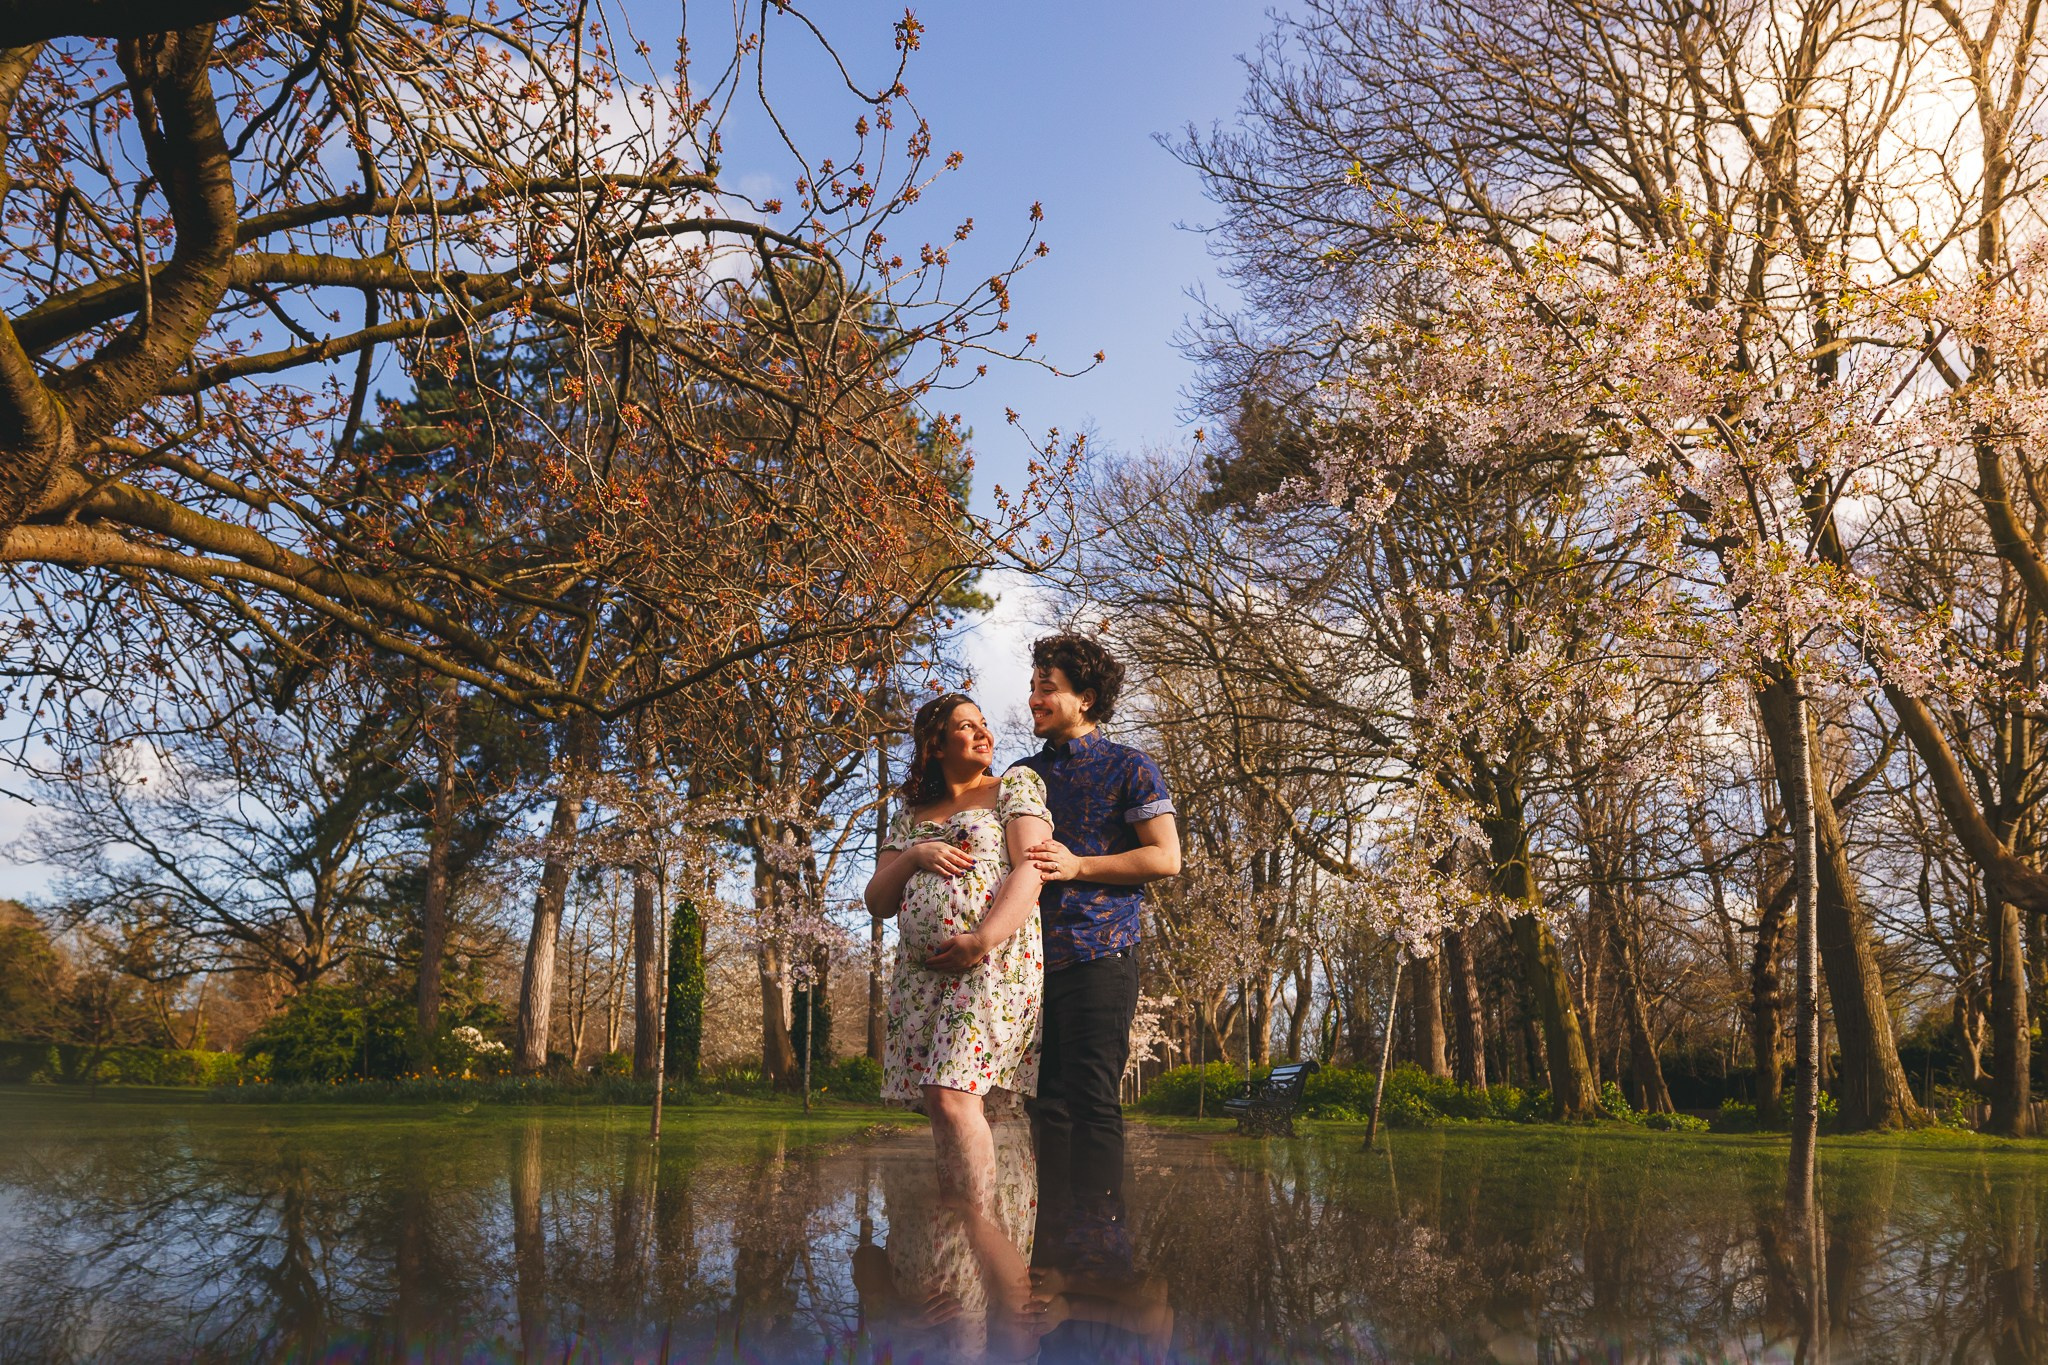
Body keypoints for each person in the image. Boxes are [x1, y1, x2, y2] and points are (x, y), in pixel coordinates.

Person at [1005, 634, 1181, 1224]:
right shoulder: (1021, 775)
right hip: (1028, 964)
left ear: (1087, 698)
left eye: (1046, 689)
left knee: (1092, 1101)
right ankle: (1052, 1239)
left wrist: (1079, 865)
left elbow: (1165, 858)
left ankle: (1101, 1246)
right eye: (1032, 688)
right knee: (1044, 1104)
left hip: (1100, 955)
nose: (1034, 699)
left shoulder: (1130, 766)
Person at [865, 693, 1053, 1209]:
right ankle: (962, 1249)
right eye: (966, 726)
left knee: (951, 1094)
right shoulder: (911, 815)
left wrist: (980, 940)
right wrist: (913, 857)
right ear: (936, 744)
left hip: (994, 962)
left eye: (984, 724)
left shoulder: (1013, 785)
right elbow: (878, 900)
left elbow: (1032, 867)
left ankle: (969, 1233)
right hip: (921, 975)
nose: (983, 733)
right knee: (940, 1102)